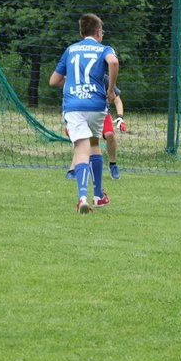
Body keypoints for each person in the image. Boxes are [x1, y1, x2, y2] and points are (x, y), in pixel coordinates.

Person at [50, 13, 119, 214]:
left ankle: (82, 196)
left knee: (81, 148)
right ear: (99, 32)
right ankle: (98, 195)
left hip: (73, 105)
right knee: (95, 143)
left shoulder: (70, 50)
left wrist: (71, 83)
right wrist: (111, 89)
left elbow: (53, 81)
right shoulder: (104, 49)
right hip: (96, 104)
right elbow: (113, 62)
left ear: (81, 33)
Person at [66, 74, 127, 181]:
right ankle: (73, 169)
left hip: (102, 113)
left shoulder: (105, 79)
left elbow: (117, 100)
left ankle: (113, 165)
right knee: (83, 140)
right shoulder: (79, 78)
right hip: (83, 113)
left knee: (110, 135)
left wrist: (120, 117)